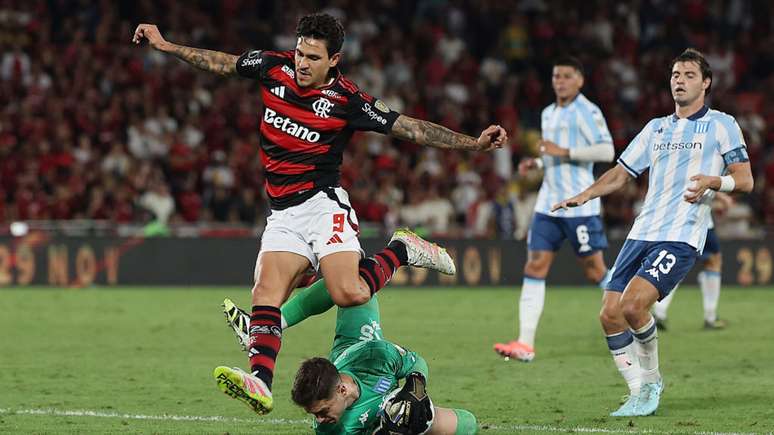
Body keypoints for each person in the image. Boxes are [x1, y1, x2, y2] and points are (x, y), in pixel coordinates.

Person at [133, 13, 507, 415]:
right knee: (265, 294)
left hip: (323, 206)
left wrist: (473, 144)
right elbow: (224, 62)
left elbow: (410, 128)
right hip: (282, 214)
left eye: (313, 57)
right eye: (299, 52)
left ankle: (402, 248)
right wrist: (167, 46)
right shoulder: (272, 68)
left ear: (334, 59)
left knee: (350, 293)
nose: (302, 63)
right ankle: (260, 381)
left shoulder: (348, 100)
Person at [552, 48, 753, 417]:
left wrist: (714, 181)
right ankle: (637, 390)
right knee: (609, 314)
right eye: (675, 74)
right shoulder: (656, 128)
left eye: (689, 75)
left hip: (682, 234)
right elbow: (622, 171)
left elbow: (745, 180)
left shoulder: (722, 125)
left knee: (633, 305)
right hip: (642, 230)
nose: (680, 80)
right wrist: (585, 194)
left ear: (706, 83)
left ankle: (652, 382)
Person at [218, 278, 479, 434]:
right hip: (376, 416)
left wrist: (415, 390)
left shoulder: (377, 355)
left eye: (321, 411)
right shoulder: (334, 428)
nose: (318, 421)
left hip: (357, 339)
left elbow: (415, 362)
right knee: (414, 424)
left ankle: (266, 326)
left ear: (342, 390)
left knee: (352, 280)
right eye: (314, 415)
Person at [494, 56, 614, 362]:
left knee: (594, 270)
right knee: (534, 266)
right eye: (556, 75)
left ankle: (630, 309)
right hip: (548, 205)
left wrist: (565, 151)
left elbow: (606, 150)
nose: (560, 81)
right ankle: (525, 343)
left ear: (580, 80)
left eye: (566, 76)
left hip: (579, 204)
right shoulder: (548, 113)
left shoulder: (588, 111)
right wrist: (537, 162)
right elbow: (552, 155)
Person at [652, 193, 733, 330]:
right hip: (698, 220)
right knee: (713, 262)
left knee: (674, 264)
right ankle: (710, 317)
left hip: (674, 219)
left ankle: (659, 312)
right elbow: (699, 179)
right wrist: (721, 196)